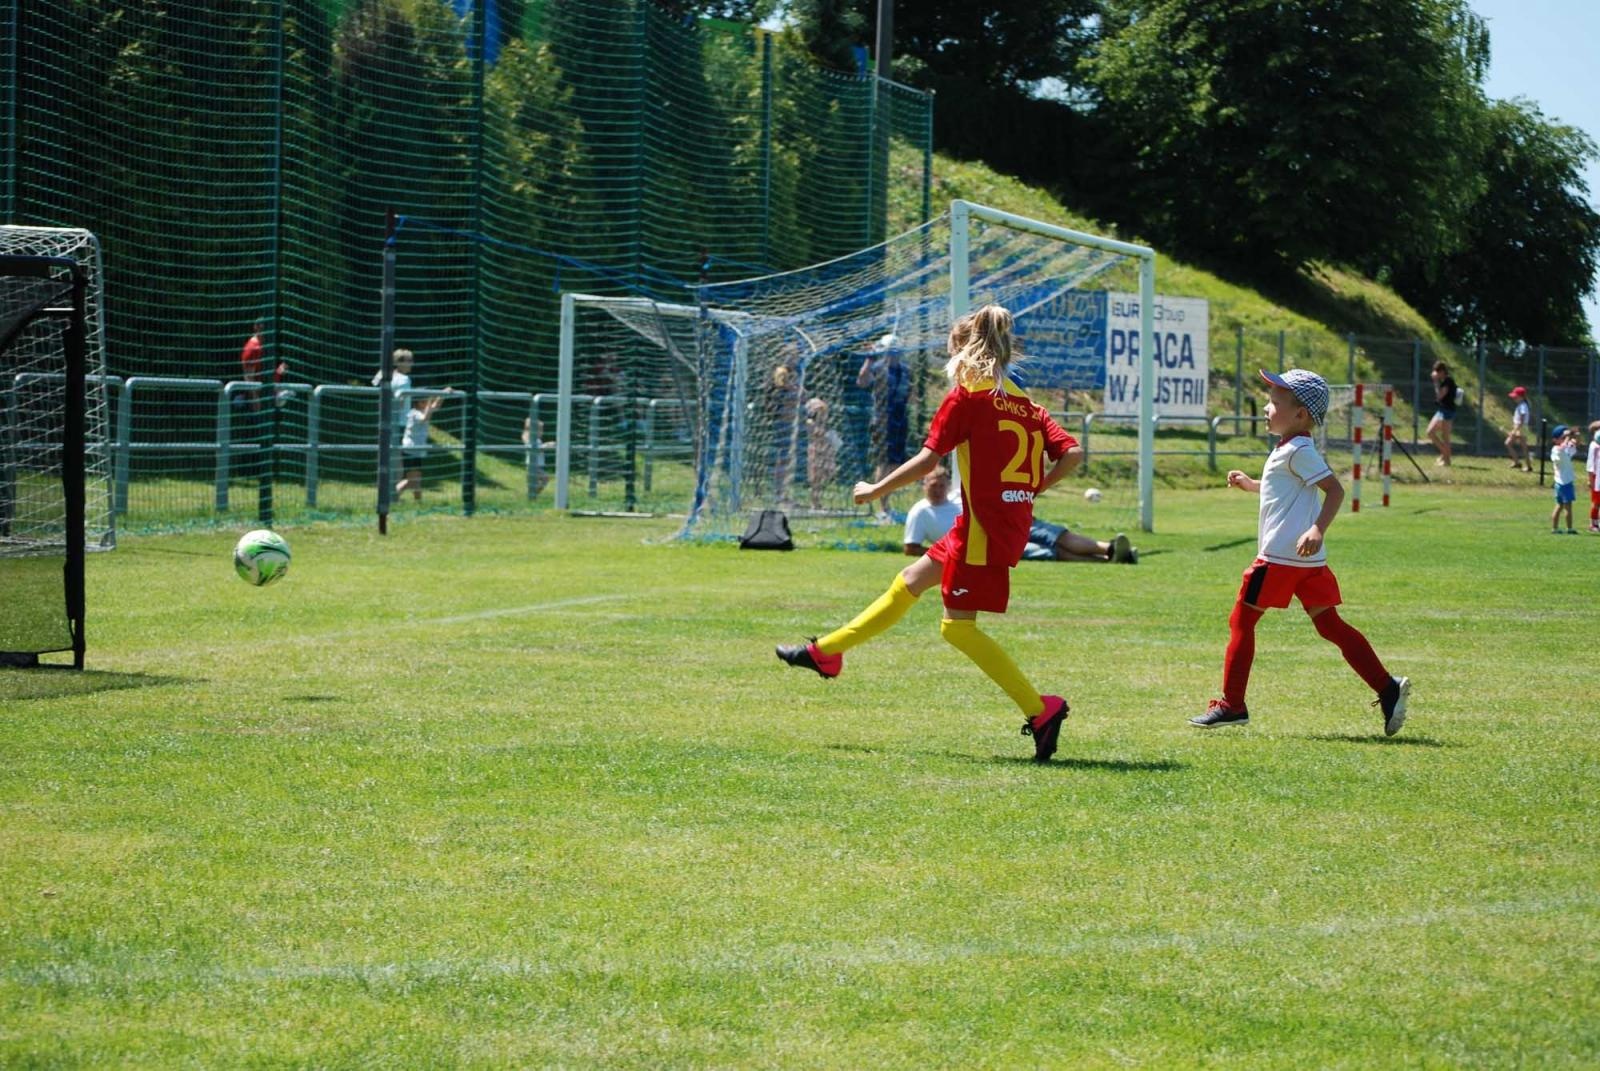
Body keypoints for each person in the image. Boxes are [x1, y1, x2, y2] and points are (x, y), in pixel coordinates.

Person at [776, 304, 1082, 762]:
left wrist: (875, 489)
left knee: (957, 628)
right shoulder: (1025, 402)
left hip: (983, 528)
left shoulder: (967, 398)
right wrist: (1032, 487)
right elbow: (1072, 453)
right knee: (910, 580)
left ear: (960, 350)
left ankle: (1041, 710)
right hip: (995, 521)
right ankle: (827, 652)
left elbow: (928, 460)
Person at [1190, 368, 1410, 735]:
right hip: (1305, 563)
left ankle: (1232, 704)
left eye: (1274, 402)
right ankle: (1388, 688)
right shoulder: (1290, 449)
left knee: (1241, 621)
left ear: (1301, 415)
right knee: (1330, 625)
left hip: (1280, 558)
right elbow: (1282, 489)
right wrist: (1250, 484)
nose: (1266, 407)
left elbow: (1335, 491)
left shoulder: (1298, 449)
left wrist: (1317, 529)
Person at [901, 467, 1136, 564]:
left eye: (942, 484)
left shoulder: (957, 497)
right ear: (924, 485)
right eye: (933, 484)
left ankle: (1111, 549)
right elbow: (910, 548)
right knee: (1051, 552)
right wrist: (951, 553)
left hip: (1007, 521)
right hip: (990, 544)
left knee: (1057, 535)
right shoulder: (920, 512)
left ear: (948, 484)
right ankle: (1109, 561)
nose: (938, 488)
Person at [857, 333, 910, 521]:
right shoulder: (878, 367)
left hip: (900, 420)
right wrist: (869, 359)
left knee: (896, 464)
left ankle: (887, 506)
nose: (893, 356)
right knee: (884, 462)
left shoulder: (905, 370)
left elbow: (909, 396)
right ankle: (882, 507)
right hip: (882, 421)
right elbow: (862, 381)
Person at [397, 387, 452, 501]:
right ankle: (390, 498)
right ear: (419, 403)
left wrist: (442, 394)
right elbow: (424, 418)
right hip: (410, 450)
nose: (429, 403)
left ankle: (419, 504)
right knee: (411, 481)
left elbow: (435, 406)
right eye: (426, 401)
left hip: (417, 451)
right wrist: (431, 399)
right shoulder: (414, 413)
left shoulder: (423, 410)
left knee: (416, 481)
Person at [803, 397, 841, 510]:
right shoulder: (810, 423)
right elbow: (815, 434)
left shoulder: (825, 424)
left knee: (826, 476)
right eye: (820, 412)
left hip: (826, 452)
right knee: (815, 479)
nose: (823, 414)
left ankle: (818, 501)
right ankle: (814, 503)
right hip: (816, 452)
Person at [1426, 360, 1458, 467]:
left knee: (1445, 437)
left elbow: (1440, 396)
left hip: (1448, 411)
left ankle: (1447, 460)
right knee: (1430, 432)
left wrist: (1435, 382)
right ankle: (1445, 454)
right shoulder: (1443, 380)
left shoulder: (1448, 381)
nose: (1435, 374)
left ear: (1442, 371)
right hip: (1441, 410)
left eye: (1437, 372)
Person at [1549, 424, 1580, 535]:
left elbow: (1575, 445)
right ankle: (1569, 528)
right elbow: (1562, 448)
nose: (1565, 439)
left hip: (1562, 482)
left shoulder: (1564, 448)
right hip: (1564, 482)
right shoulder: (1556, 450)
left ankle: (1555, 528)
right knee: (1567, 507)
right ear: (1555, 440)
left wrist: (1575, 435)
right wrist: (1567, 436)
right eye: (1562, 437)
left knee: (1559, 506)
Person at [1505, 386, 1532, 471]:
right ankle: (1518, 462)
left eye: (1516, 396)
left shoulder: (1523, 406)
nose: (1514, 398)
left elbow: (1522, 418)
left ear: (1522, 397)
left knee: (1511, 444)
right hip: (1519, 427)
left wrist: (1515, 430)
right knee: (1510, 444)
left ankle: (1526, 465)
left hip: (1521, 428)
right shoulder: (1521, 405)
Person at [1587, 422, 1600, 534]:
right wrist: (1590, 478)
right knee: (1596, 501)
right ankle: (1593, 523)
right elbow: (1591, 464)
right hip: (1596, 477)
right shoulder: (1594, 446)